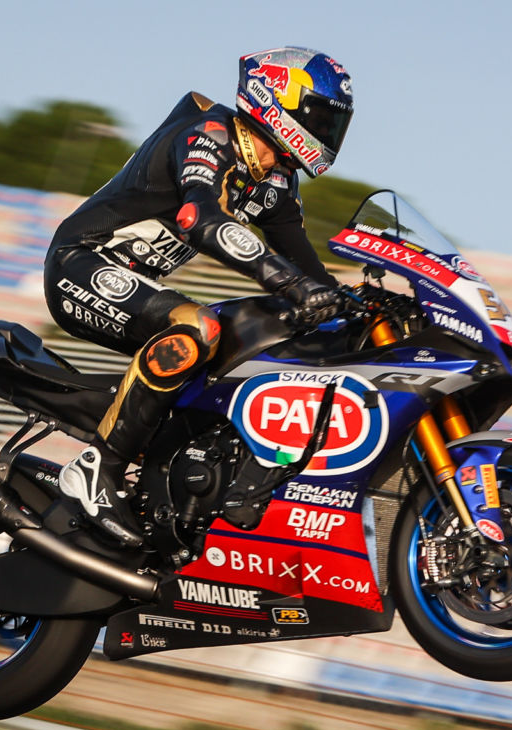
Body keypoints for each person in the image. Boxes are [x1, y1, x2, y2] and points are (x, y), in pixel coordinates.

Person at [44, 46, 355, 546]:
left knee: (253, 340)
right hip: (82, 263)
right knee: (198, 328)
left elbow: (307, 267)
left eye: (333, 121)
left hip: (142, 283)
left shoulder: (277, 180)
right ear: (278, 98)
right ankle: (95, 470)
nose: (328, 130)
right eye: (319, 115)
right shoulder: (208, 136)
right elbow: (200, 219)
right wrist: (289, 284)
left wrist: (353, 306)